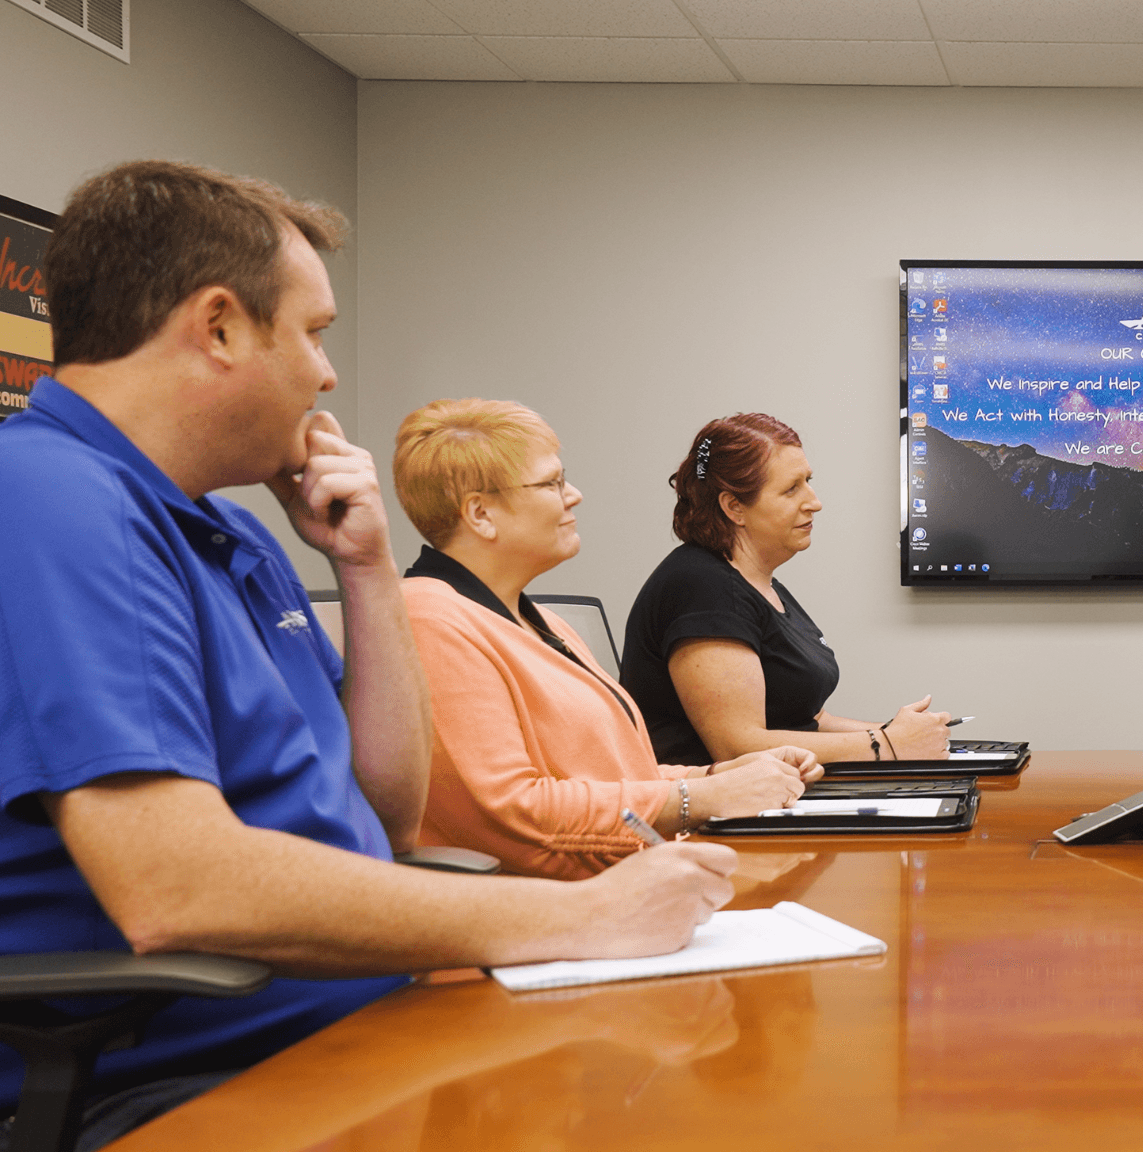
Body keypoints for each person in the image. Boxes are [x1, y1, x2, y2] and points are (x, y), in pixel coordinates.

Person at [0, 160, 736, 1145]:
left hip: (361, 1017)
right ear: (219, 327)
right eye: (311, 333)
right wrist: (579, 918)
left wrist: (367, 565)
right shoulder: (54, 503)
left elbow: (383, 817)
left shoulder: (230, 529)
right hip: (190, 1078)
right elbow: (176, 888)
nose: (326, 373)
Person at [391, 399, 822, 879]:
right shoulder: (428, 618)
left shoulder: (547, 624)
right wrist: (696, 798)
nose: (573, 494)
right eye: (551, 483)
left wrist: (722, 776)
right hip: (545, 906)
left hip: (622, 882)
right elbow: (513, 809)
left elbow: (619, 776)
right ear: (480, 513)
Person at [620, 413, 952, 765]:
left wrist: (901, 735)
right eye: (792, 488)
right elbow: (736, 748)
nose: (814, 501)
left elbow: (808, 722)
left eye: (808, 481)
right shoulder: (703, 588)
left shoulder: (758, 584)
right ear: (734, 507)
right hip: (714, 810)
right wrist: (884, 745)